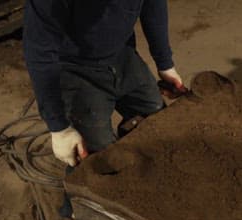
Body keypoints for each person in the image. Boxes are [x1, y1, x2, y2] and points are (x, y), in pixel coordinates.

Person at [23, 0, 184, 169]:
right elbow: (39, 54)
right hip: (74, 67)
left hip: (120, 54)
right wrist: (59, 128)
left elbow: (153, 5)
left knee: (156, 120)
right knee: (99, 161)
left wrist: (165, 64)